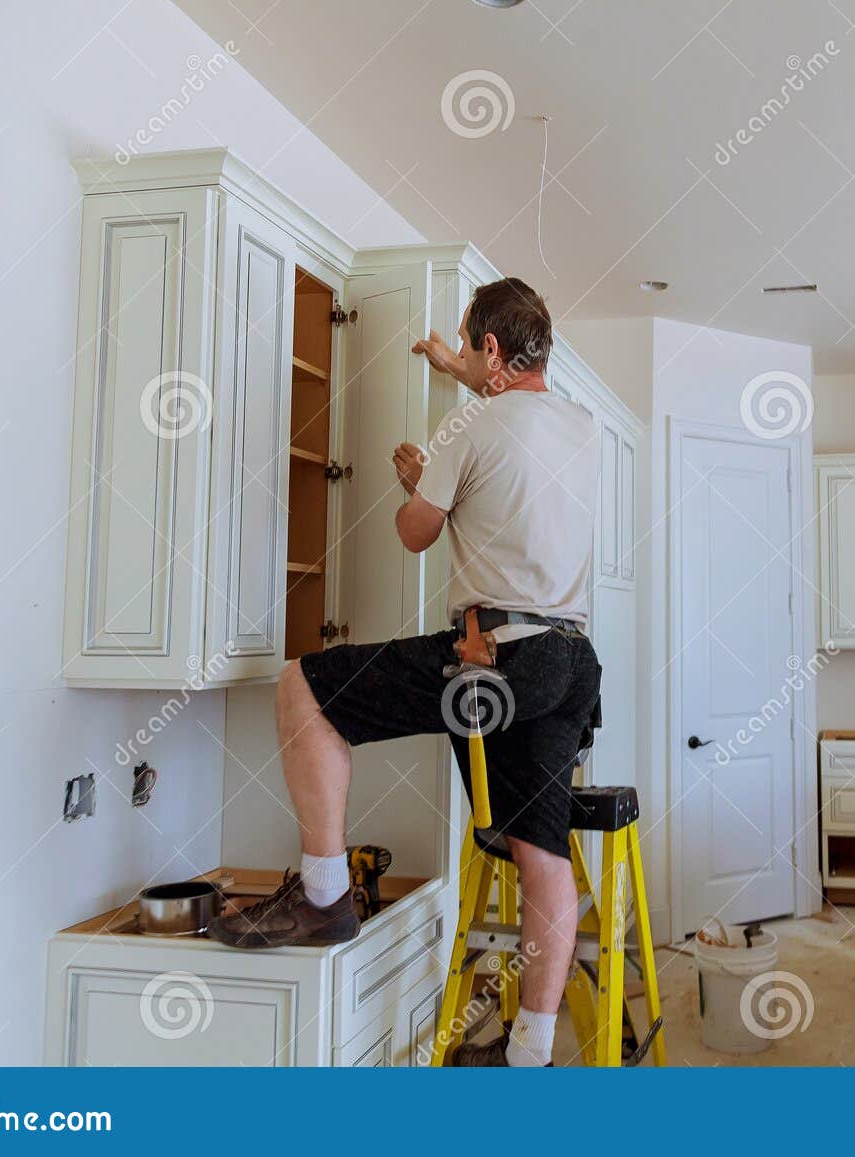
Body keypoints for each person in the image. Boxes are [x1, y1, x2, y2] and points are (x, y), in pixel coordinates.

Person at [208, 277, 602, 1069]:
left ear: (491, 348)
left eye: (468, 345)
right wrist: (461, 374)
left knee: (304, 687)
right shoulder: (582, 427)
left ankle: (323, 895)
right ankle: (531, 1053)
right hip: (570, 660)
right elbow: (511, 416)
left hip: (496, 653)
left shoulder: (472, 428)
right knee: (542, 854)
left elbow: (414, 532)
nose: (460, 358)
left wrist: (421, 481)